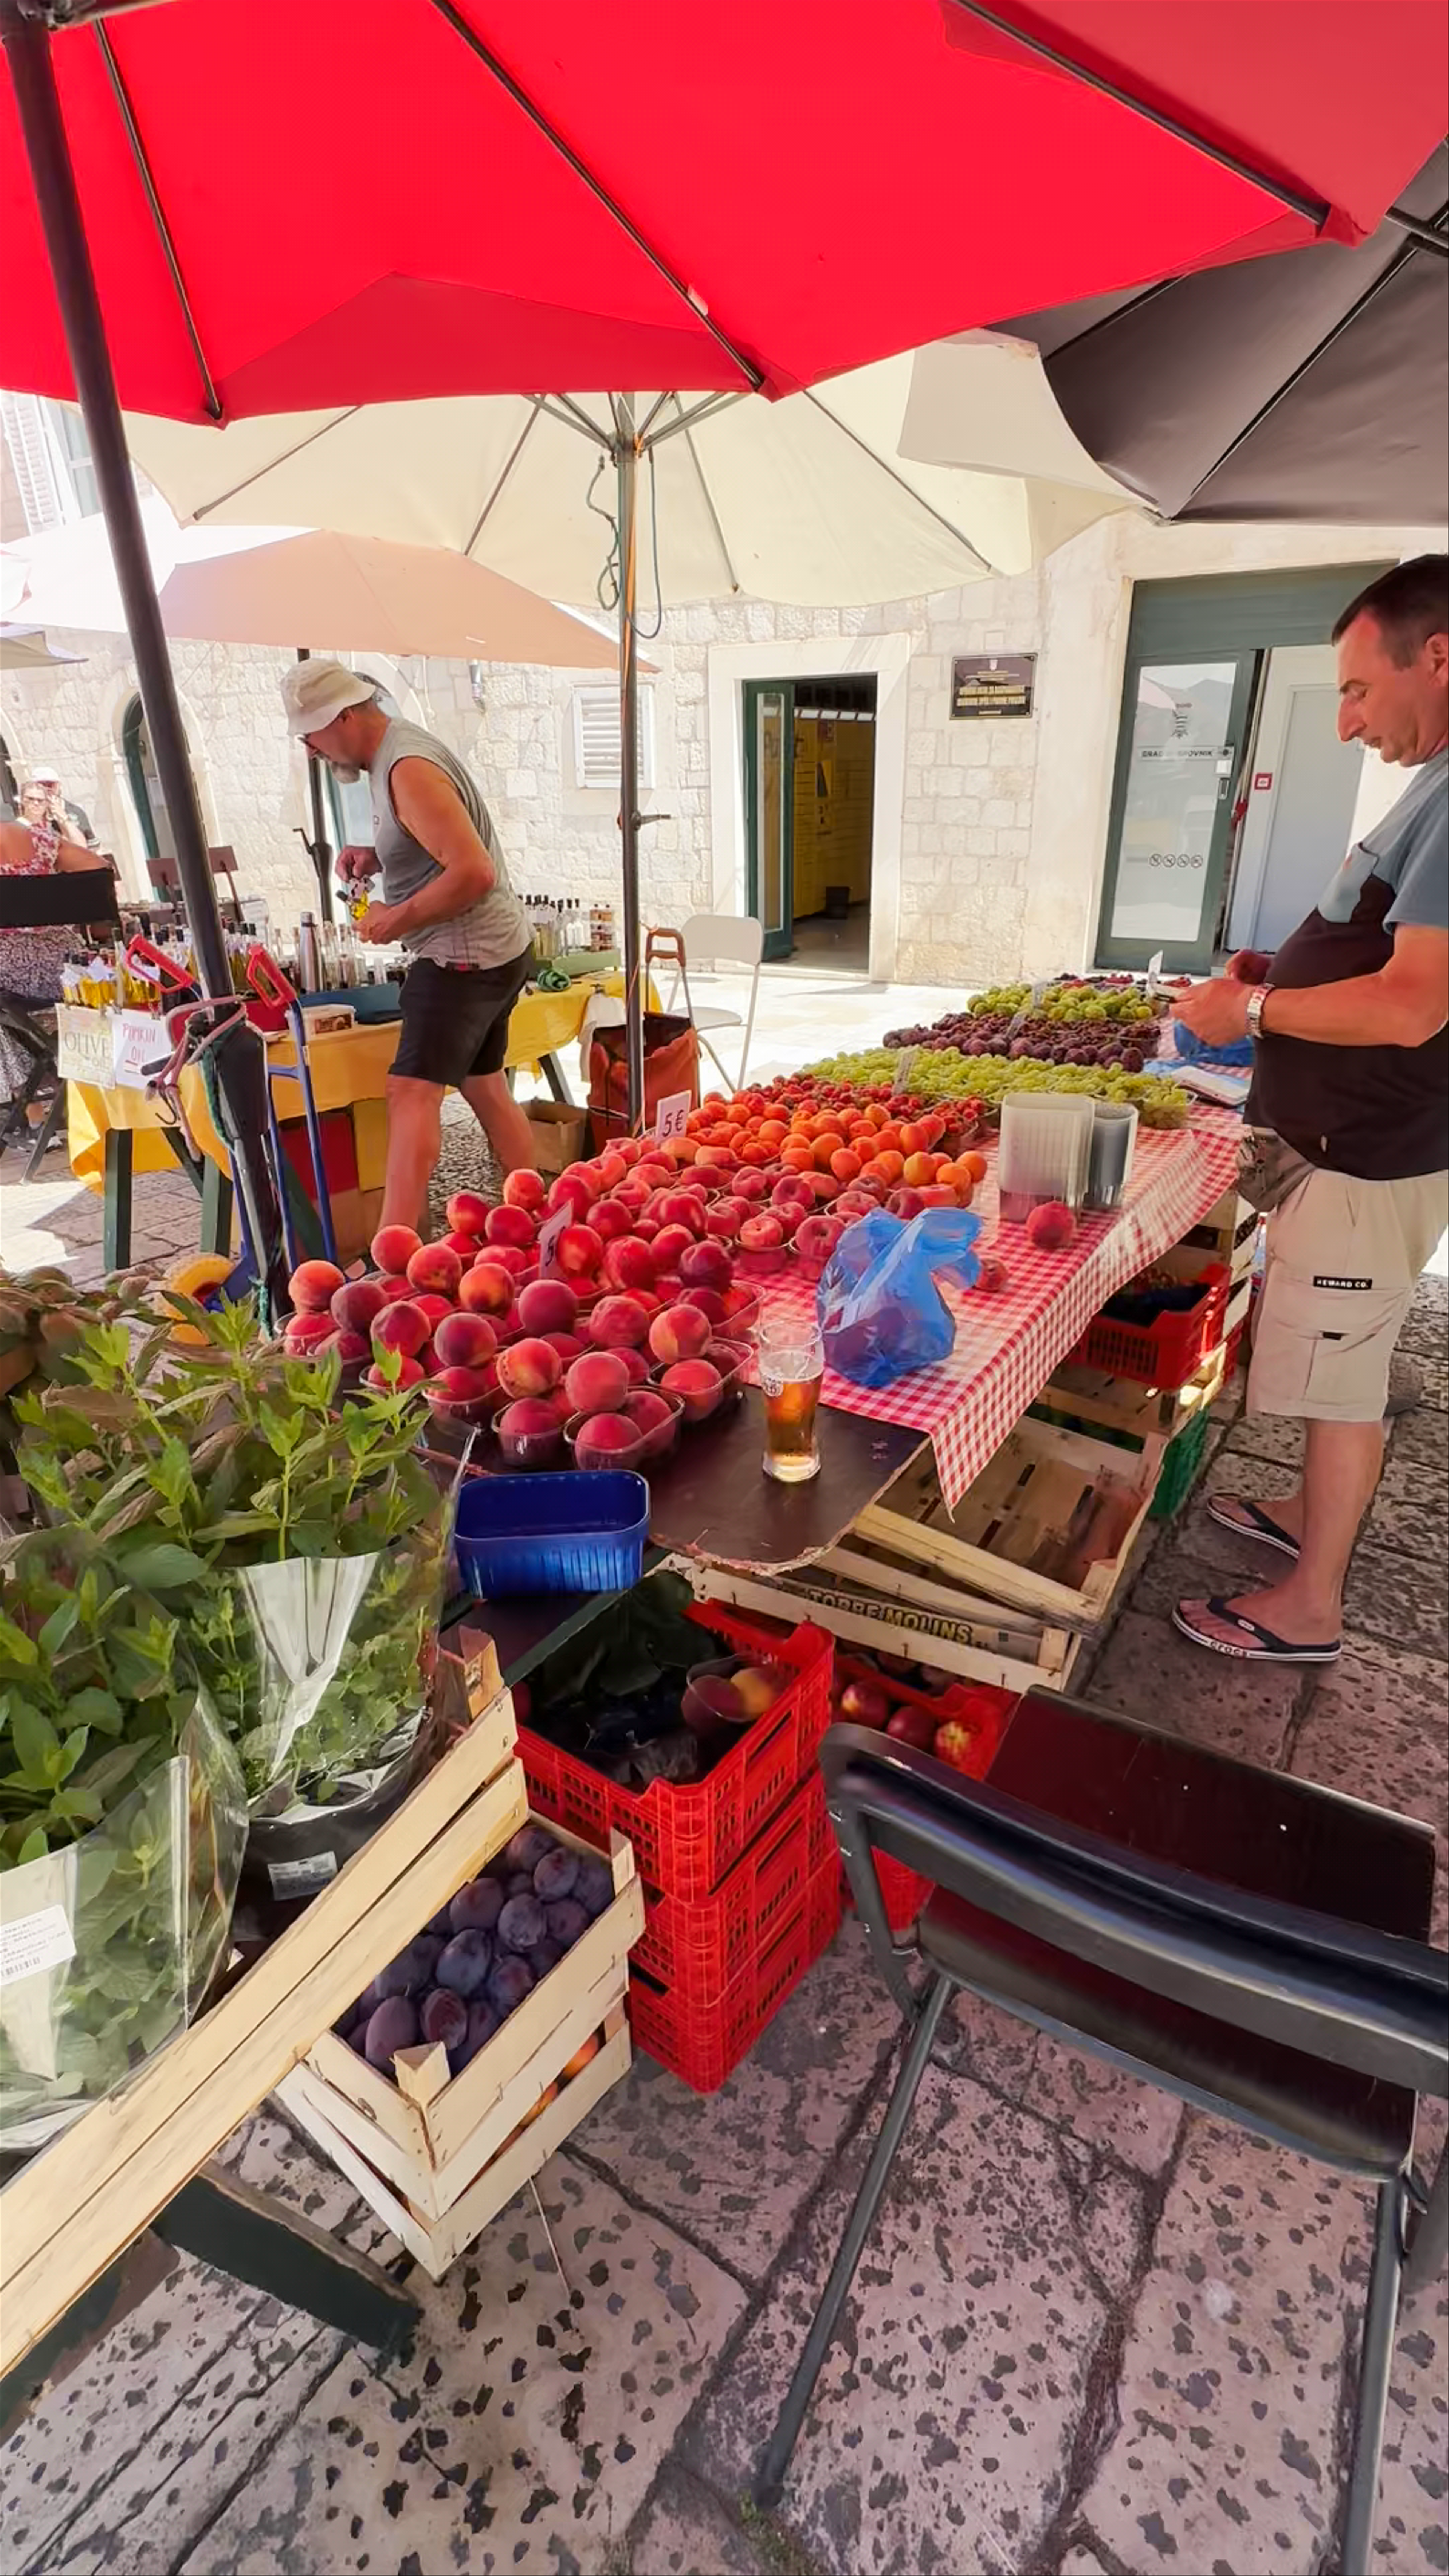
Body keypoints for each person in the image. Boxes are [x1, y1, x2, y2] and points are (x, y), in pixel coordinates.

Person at [1172, 553, 1448, 1667]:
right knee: (1339, 1354)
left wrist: (1255, 1006)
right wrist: (1273, 970)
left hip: (1367, 1153)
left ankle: (1309, 1606)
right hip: (1339, 1145)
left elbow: (1410, 1005)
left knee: (1343, 1378)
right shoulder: (1433, 786)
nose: (1343, 723)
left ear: (1435, 656)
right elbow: (1379, 949)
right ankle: (1304, 1518)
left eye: (1353, 688)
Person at [281, 661, 537, 1228]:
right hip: (495, 948)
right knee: (484, 1084)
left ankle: (396, 1256)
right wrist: (381, 854)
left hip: (463, 954)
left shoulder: (407, 767)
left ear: (342, 716)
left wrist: (398, 917)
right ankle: (538, 1216)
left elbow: (474, 872)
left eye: (311, 736)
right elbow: (436, 838)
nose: (310, 751)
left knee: (409, 1092)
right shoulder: (395, 752)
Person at [0, 801, 100, 1109]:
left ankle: (34, 1114)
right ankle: (83, 1094)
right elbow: (99, 871)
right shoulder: (37, 839)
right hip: (70, 972)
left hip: (9, 977)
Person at [22, 765, 97, 848]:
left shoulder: (74, 811)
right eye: (41, 786)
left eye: (51, 785)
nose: (47, 789)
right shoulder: (32, 813)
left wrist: (63, 818)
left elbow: (90, 846)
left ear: (59, 786)